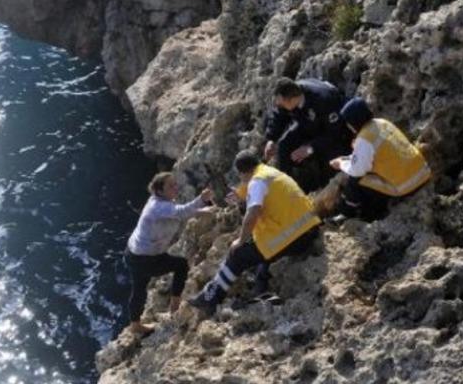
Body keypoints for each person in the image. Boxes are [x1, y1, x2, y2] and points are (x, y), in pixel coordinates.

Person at [188, 150, 321, 316]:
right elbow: (259, 192)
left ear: (242, 172)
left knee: (237, 254)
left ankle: (210, 297)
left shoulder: (257, 182)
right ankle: (260, 289)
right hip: (308, 228)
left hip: (291, 236)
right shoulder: (270, 172)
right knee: (261, 248)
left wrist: (241, 240)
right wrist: (241, 194)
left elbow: (253, 213)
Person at [124, 172, 213, 336]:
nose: (176, 187)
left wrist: (201, 211)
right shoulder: (158, 206)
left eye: (175, 184)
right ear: (159, 191)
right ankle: (174, 308)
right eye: (171, 186)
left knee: (138, 289)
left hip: (135, 253)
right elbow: (181, 211)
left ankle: (135, 325)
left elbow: (178, 213)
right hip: (145, 258)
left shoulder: (161, 202)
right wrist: (201, 199)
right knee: (181, 265)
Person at [329, 97, 432, 221]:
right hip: (422, 171)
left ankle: (348, 214)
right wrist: (350, 156)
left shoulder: (364, 138)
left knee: (357, 180)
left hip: (407, 185)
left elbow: (358, 170)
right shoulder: (382, 123)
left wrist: (340, 164)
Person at [263, 77, 352, 192]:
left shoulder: (323, 99)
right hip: (308, 124)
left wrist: (311, 148)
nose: (280, 106)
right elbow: (279, 115)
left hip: (334, 133)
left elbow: (336, 133)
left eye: (282, 104)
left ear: (291, 100)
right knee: (284, 145)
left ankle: (323, 190)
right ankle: (286, 188)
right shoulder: (291, 94)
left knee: (327, 159)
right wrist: (271, 139)